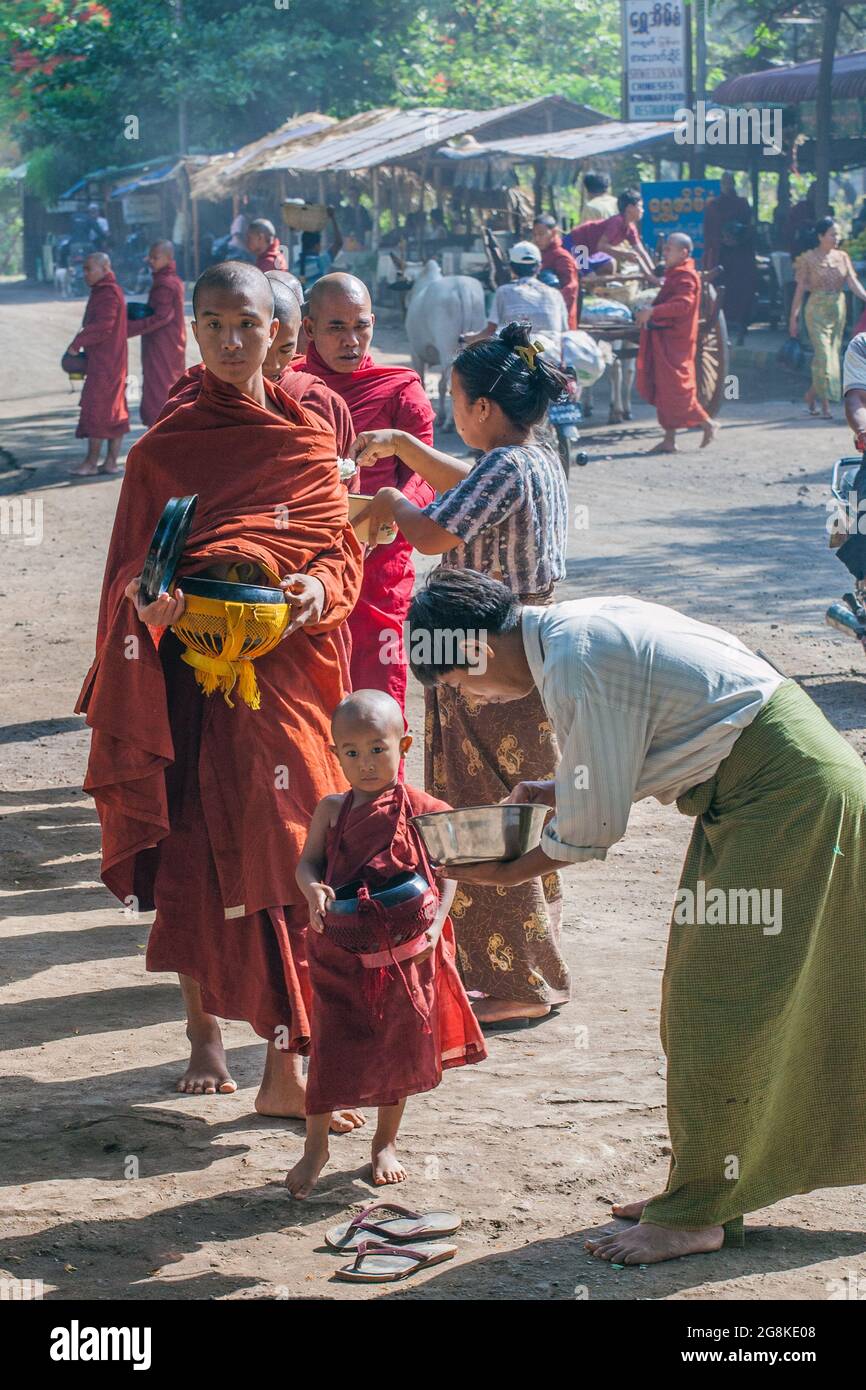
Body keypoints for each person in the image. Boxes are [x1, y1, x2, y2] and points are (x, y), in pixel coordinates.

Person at [407, 566, 866, 1265]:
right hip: (772, 785)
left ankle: (697, 1213)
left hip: (788, 793)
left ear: (473, 652)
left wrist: (498, 874)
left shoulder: (573, 662)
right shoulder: (569, 634)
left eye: (457, 685)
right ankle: (704, 1191)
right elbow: (624, 764)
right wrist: (555, 789)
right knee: (721, 996)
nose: (469, 699)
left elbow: (593, 830)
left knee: (720, 1004)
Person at [76, 261, 365, 1126]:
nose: (233, 341)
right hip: (191, 681)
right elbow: (132, 567)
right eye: (214, 325)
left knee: (290, 849)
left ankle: (286, 1062)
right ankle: (205, 1032)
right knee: (198, 852)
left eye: (248, 324)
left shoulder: (306, 441)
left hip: (287, 674)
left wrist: (313, 592)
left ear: (278, 331)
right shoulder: (164, 448)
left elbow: (337, 551)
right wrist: (150, 604)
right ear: (193, 332)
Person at [349, 322, 571, 1027]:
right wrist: (406, 450)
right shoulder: (536, 457)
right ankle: (526, 965)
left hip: (488, 658)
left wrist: (388, 503)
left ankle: (520, 981)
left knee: (485, 809)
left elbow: (434, 532)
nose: (451, 413)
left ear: (481, 409)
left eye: (455, 402)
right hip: (520, 652)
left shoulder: (503, 468)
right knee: (514, 802)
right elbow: (465, 488)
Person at [287, 689, 486, 1197]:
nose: (366, 763)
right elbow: (307, 862)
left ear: (405, 744)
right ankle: (316, 1148)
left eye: (378, 748)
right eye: (351, 752)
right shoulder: (332, 810)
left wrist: (437, 925)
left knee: (398, 1047)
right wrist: (311, 888)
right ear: (335, 756)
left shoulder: (425, 809)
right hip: (339, 949)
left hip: (407, 953)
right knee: (331, 1048)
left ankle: (384, 1143)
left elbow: (448, 873)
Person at [298, 272, 435, 713]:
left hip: (379, 560)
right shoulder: (289, 387)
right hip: (305, 556)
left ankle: (382, 784)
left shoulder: (399, 387)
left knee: (376, 683)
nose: (351, 341)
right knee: (308, 684)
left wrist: (397, 511)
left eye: (361, 326)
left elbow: (425, 474)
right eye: (336, 327)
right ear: (308, 328)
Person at [166, 275, 355, 460]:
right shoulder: (189, 397)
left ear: (272, 332)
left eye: (286, 349)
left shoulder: (320, 402)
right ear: (197, 332)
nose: (273, 364)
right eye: (215, 325)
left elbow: (344, 483)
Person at [635, 232, 718, 454]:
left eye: (669, 249)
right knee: (665, 388)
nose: (665, 253)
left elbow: (683, 305)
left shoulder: (687, 277)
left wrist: (653, 311)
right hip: (664, 336)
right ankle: (669, 439)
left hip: (676, 340)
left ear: (684, 252)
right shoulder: (675, 274)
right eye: (665, 249)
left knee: (677, 389)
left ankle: (707, 422)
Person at [789, 217, 866, 419]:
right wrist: (793, 318)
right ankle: (825, 406)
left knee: (833, 355)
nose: (836, 238)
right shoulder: (808, 259)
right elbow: (800, 290)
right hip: (815, 310)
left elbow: (852, 282)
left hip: (837, 310)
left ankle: (811, 395)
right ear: (820, 236)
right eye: (832, 234)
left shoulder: (842, 257)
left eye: (838, 234)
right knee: (823, 355)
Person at [67, 252, 129, 477]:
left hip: (105, 364)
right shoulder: (108, 291)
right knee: (114, 411)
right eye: (83, 269)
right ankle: (110, 463)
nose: (84, 274)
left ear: (105, 268)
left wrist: (77, 344)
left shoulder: (108, 293)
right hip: (111, 362)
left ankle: (91, 463)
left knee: (98, 410)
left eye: (88, 269)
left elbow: (104, 326)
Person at [459, 241, 568, 351]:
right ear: (539, 267)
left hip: (515, 360)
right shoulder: (555, 294)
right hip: (551, 357)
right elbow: (564, 333)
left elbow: (489, 332)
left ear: (512, 268)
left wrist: (468, 338)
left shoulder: (504, 292)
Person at [125, 239, 186, 428]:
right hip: (170, 342)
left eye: (155, 257)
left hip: (163, 344)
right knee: (168, 385)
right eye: (149, 257)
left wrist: (126, 330)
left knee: (160, 389)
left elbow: (162, 317)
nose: (151, 261)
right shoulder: (169, 280)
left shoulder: (166, 283)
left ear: (169, 258)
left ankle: (161, 431)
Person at [701, 172, 758, 345]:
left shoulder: (742, 204)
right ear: (721, 184)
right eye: (725, 182)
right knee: (721, 291)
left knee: (741, 292)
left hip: (740, 257)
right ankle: (719, 328)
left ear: (733, 183)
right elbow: (709, 233)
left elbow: (749, 229)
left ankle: (741, 328)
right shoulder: (713, 206)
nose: (728, 184)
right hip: (722, 257)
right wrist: (722, 240)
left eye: (729, 181)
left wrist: (737, 239)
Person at [566, 190, 656, 280]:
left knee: (610, 265)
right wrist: (625, 253)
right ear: (630, 208)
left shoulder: (630, 227)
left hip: (590, 252)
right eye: (640, 207)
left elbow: (641, 252)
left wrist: (654, 272)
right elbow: (601, 246)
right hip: (577, 246)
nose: (642, 210)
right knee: (589, 277)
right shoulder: (617, 222)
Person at [531, 215, 579, 329]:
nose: (537, 239)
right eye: (534, 235)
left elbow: (571, 288)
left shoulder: (562, 257)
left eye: (541, 234)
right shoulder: (538, 255)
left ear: (553, 233)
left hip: (560, 321)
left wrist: (548, 303)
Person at [296, 210, 344, 287]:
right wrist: (333, 218)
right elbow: (339, 243)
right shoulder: (319, 262)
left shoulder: (295, 266)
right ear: (317, 246)